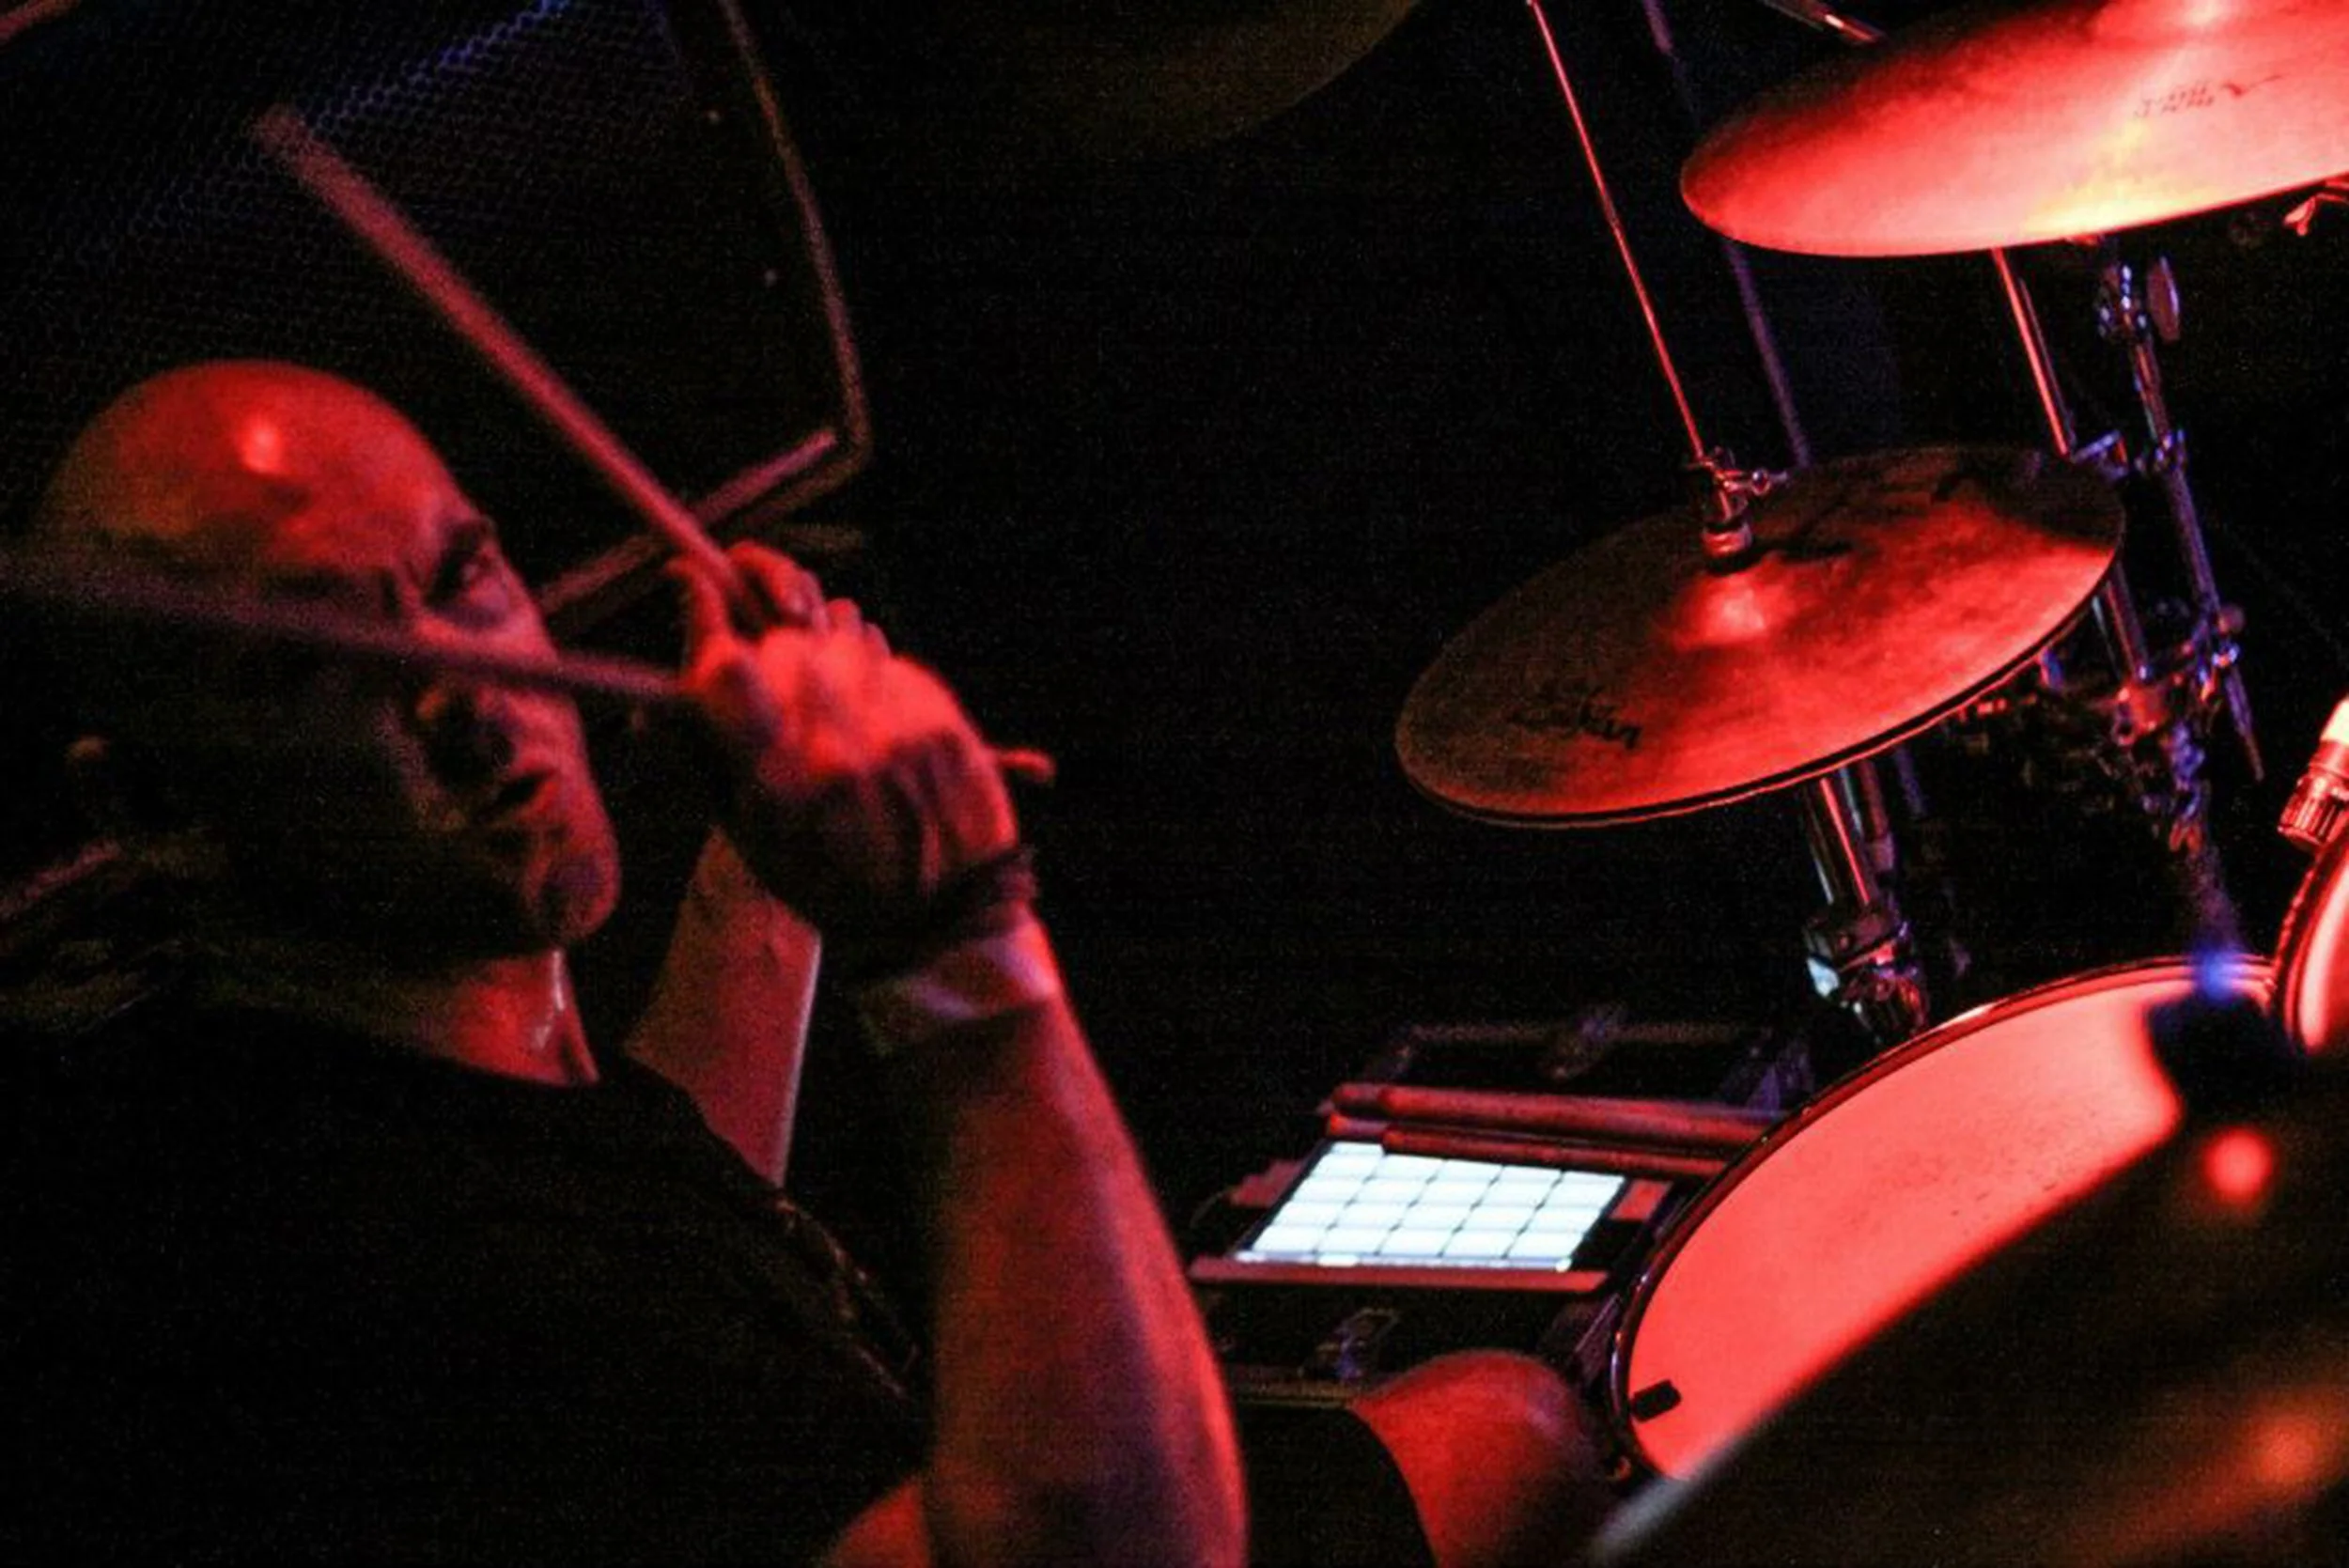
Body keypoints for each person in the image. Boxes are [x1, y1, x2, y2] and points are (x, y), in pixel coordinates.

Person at [0, 360, 1603, 1565]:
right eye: (325, 667)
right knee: (1522, 1431)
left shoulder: (372, 1041)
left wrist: (769, 868)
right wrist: (955, 940)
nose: (476, 698)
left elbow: (657, 1201)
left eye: (461, 580)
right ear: (148, 807)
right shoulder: (320, 1278)